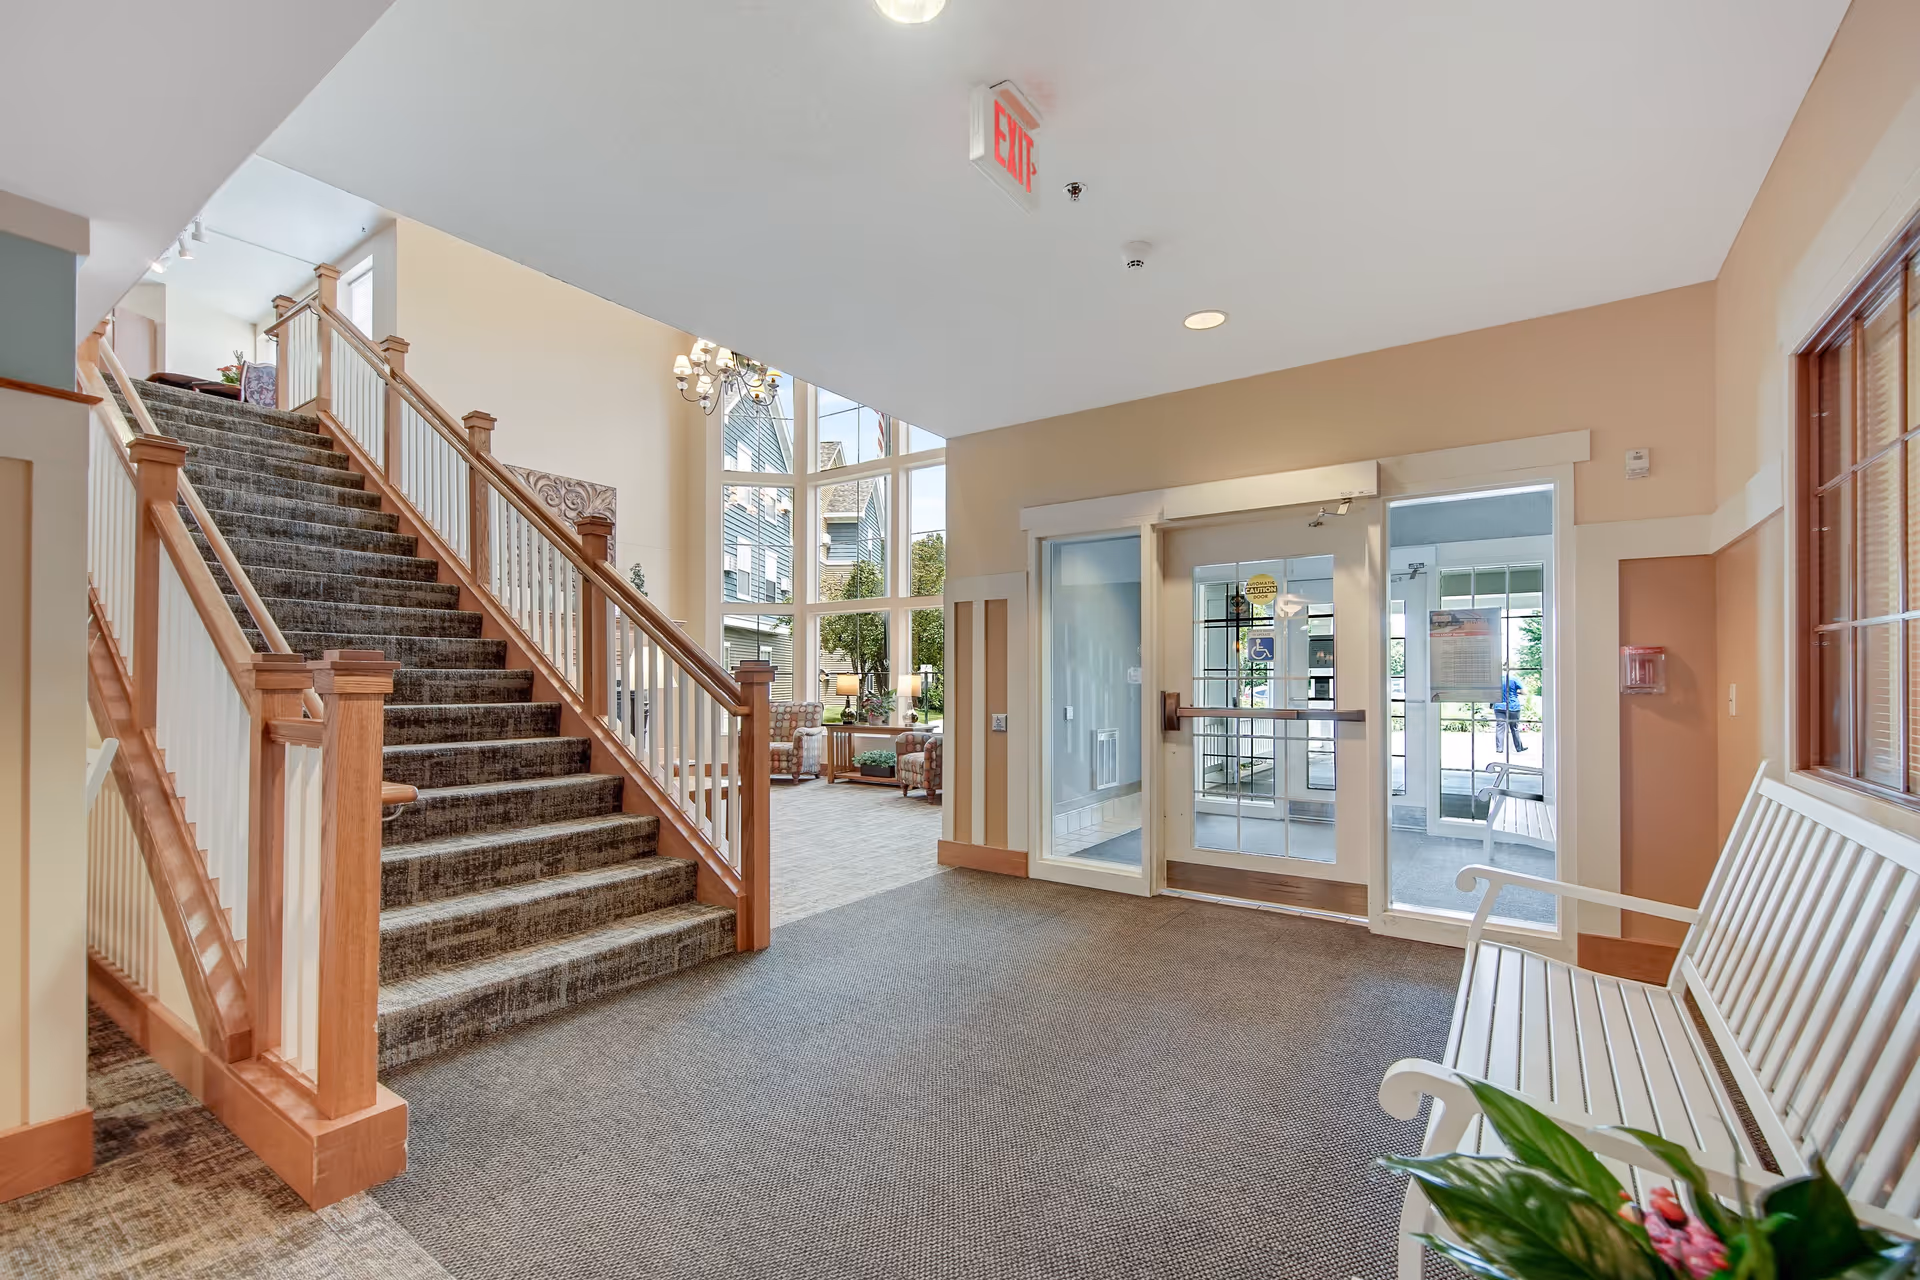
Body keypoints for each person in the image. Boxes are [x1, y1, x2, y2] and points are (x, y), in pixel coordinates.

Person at [1491, 674, 1526, 753]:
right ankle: (1519, 748)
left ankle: (1499, 748)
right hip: (1512, 706)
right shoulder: (1513, 679)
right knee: (1514, 728)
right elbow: (1524, 692)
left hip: (1499, 706)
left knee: (1500, 728)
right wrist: (1516, 692)